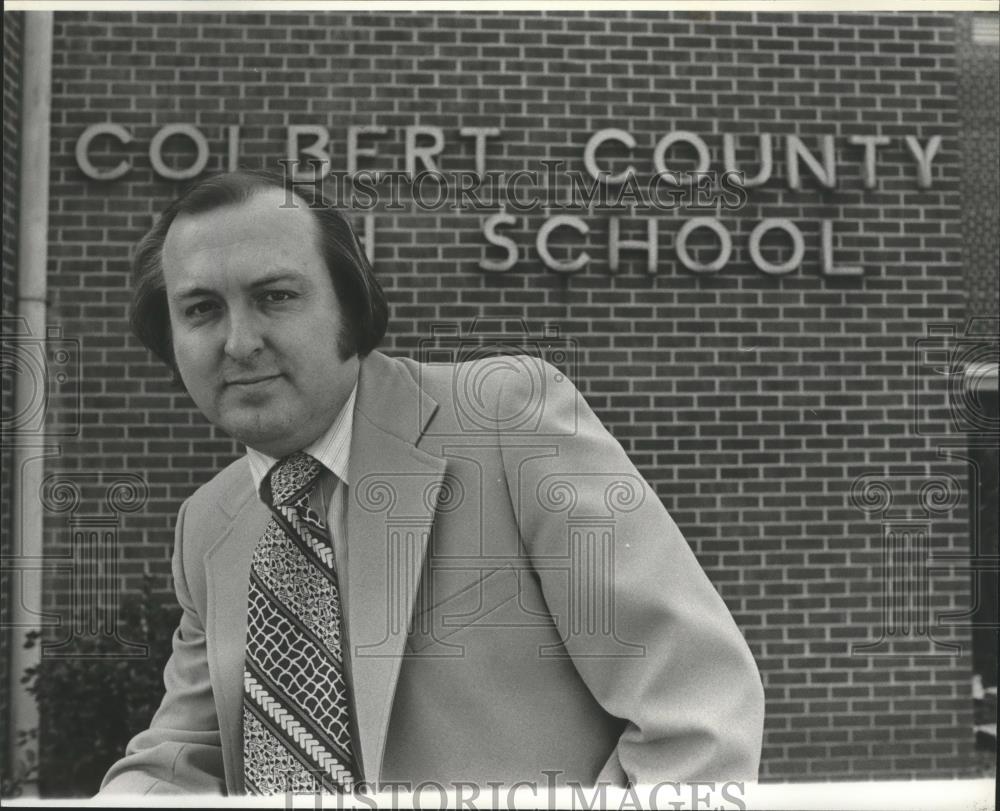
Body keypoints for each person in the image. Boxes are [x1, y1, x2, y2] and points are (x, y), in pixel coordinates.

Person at [97, 169, 765, 797]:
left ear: (349, 309)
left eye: (276, 296)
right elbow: (181, 756)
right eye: (202, 309)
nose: (239, 341)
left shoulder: (507, 420)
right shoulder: (210, 520)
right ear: (169, 338)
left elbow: (696, 708)